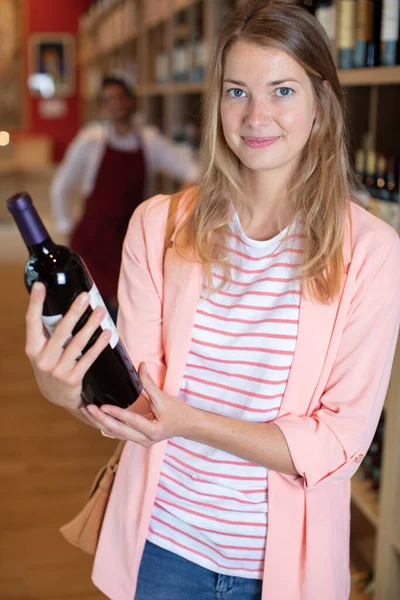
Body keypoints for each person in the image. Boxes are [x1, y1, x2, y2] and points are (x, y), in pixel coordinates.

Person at [25, 1, 400, 599]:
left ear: (321, 103)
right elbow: (140, 403)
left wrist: (191, 421)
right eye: (236, 91)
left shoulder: (373, 252)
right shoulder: (158, 226)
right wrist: (64, 391)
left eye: (282, 90)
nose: (256, 115)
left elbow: (339, 444)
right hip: (162, 549)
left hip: (283, 572)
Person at [50, 75, 200, 320]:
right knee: (89, 311)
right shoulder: (92, 140)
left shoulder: (149, 141)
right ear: (103, 107)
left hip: (128, 238)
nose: (116, 104)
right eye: (109, 100)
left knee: (125, 312)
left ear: (131, 101)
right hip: (93, 240)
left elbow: (192, 170)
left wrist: (179, 208)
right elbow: (61, 186)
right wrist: (66, 227)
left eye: (121, 97)